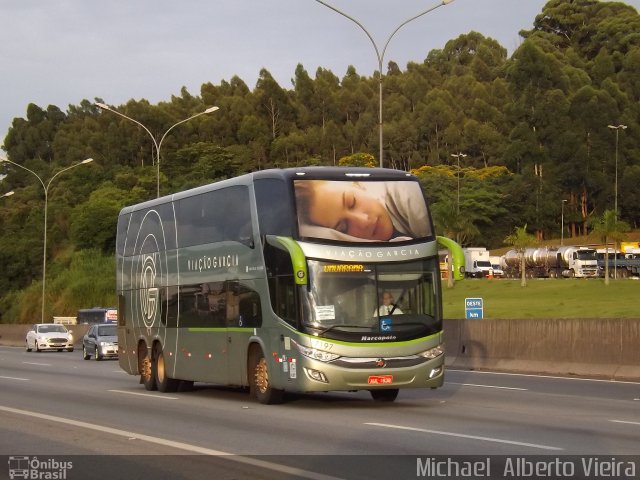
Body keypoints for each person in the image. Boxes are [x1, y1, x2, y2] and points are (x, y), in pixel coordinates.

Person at [294, 179, 431, 242]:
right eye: (343, 228)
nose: (364, 221)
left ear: (357, 184)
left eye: (352, 202)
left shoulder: (408, 194)